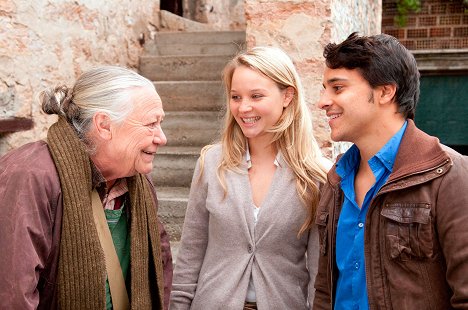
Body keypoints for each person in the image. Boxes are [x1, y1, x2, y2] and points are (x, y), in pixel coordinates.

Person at [313, 32, 468, 310]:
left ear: (385, 92)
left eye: (337, 88)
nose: (322, 101)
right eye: (325, 89)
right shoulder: (336, 180)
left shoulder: (449, 175)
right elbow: (326, 291)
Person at [169, 46, 330, 310]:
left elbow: (318, 271)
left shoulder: (316, 175)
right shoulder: (211, 163)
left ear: (287, 96)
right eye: (235, 97)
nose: (243, 108)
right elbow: (190, 254)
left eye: (256, 96)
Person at [0, 66, 174, 309]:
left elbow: (160, 264)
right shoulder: (30, 176)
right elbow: (13, 294)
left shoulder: (137, 181)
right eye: (150, 124)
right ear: (104, 125)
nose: (162, 137)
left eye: (160, 123)